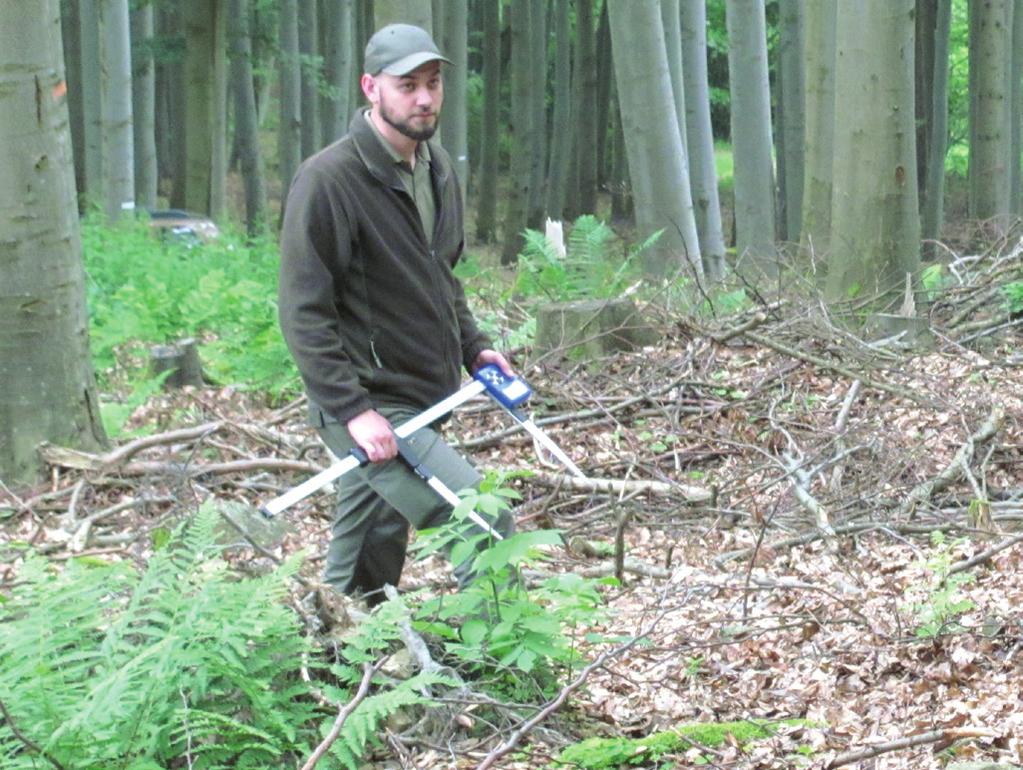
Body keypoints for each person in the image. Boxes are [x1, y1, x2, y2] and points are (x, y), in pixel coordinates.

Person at [278, 23, 514, 605]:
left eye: (432, 83)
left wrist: (474, 348)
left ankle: (337, 663)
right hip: (370, 402)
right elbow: (302, 311)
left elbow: (439, 277)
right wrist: (354, 410)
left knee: (369, 549)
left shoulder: (436, 170)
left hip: (424, 396)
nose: (425, 98)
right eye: (407, 85)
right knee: (480, 519)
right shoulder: (329, 180)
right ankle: (503, 664)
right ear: (370, 87)